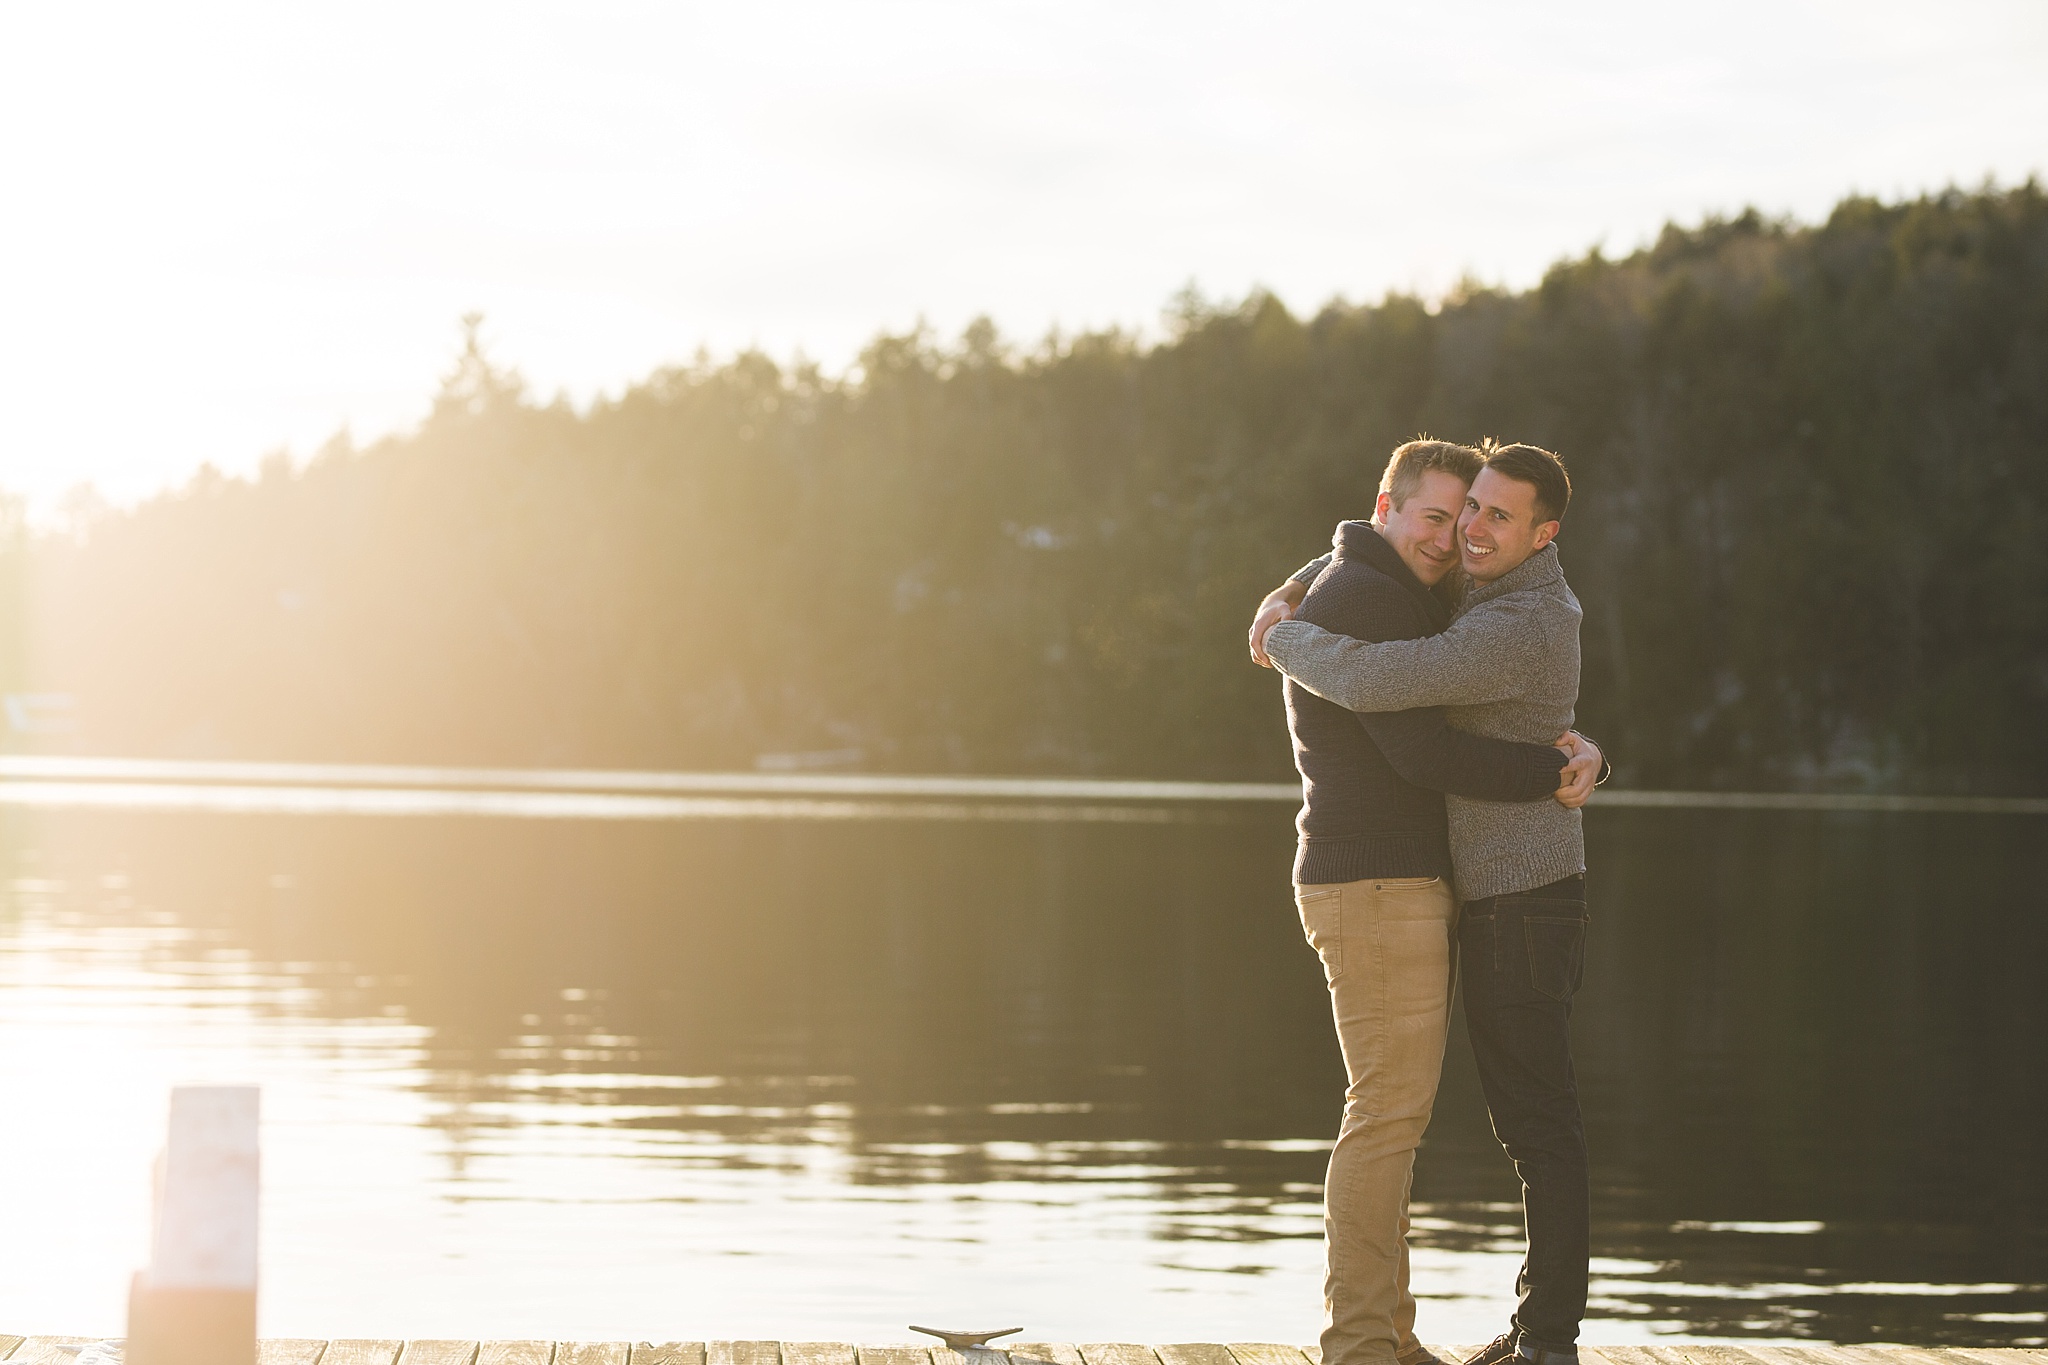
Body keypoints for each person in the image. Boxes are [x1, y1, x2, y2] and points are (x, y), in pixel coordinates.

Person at [1247, 437, 1602, 1365]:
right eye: (1446, 512)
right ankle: (1370, 1343)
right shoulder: (1378, 594)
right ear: (1388, 509)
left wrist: (1581, 759)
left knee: (1493, 1118)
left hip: (1481, 888)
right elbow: (1415, 746)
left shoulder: (1482, 602)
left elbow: (1370, 602)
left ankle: (1479, 1337)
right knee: (1394, 1115)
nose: (1461, 533)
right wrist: (1281, 613)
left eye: (1481, 514)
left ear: (1540, 532)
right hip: (1379, 882)